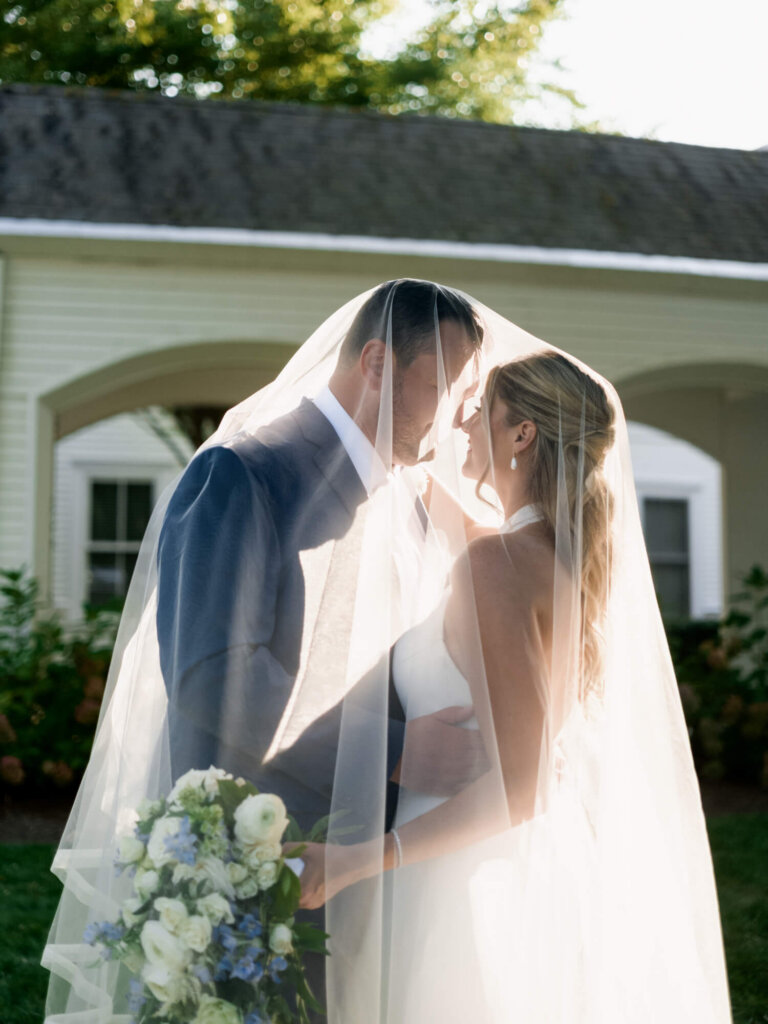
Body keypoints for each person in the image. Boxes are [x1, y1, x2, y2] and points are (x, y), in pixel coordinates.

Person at [42, 285, 731, 1024]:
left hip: (404, 874)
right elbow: (214, 678)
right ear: (377, 363)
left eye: (473, 395)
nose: (459, 413)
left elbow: (518, 606)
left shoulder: (419, 497)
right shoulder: (243, 475)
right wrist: (397, 752)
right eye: (445, 384)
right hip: (266, 865)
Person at [291, 351, 733, 1023]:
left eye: (479, 412)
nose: (462, 425)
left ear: (521, 433)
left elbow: (522, 785)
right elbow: (457, 526)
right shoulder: (544, 558)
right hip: (519, 866)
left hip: (461, 884)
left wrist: (356, 860)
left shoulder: (495, 563)